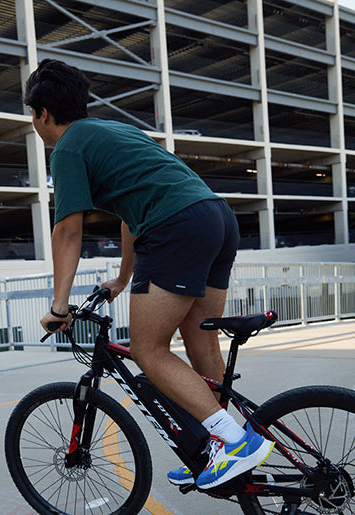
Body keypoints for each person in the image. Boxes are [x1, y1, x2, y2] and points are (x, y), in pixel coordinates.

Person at [24, 59, 273, 489]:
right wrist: (123, 279)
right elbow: (129, 213)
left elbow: (67, 230)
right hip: (216, 217)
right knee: (200, 339)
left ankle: (237, 442)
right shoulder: (116, 131)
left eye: (32, 116)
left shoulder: (66, 149)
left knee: (148, 350)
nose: (34, 124)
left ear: (42, 114)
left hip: (176, 227)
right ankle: (218, 446)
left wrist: (59, 306)